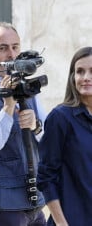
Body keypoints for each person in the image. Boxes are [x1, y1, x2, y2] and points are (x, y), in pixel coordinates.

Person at [0, 22, 46, 226]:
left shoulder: (28, 89)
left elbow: (51, 142)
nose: (11, 54)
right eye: (2, 48)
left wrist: (36, 126)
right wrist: (7, 109)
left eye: (15, 47)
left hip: (35, 204)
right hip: (0, 207)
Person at [37, 46, 92, 226]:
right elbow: (46, 177)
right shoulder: (60, 118)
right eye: (80, 71)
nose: (85, 78)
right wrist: (61, 223)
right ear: (72, 77)